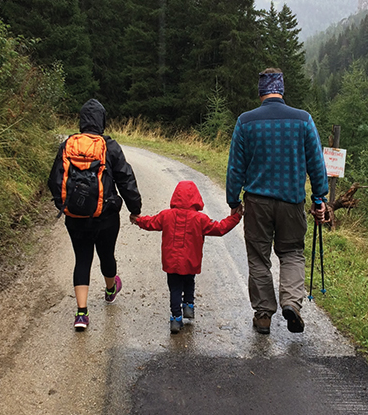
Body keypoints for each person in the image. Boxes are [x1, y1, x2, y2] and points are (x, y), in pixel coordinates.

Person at [226, 68, 328, 335]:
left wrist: (233, 199)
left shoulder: (245, 122)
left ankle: (263, 316)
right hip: (292, 201)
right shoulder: (303, 120)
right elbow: (316, 164)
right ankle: (291, 303)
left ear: (260, 91)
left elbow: (235, 167)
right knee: (292, 252)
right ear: (281, 89)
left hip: (257, 203)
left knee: (259, 258)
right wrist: (320, 198)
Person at [48, 99, 142, 331]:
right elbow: (125, 179)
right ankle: (111, 289)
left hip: (75, 218)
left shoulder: (67, 145)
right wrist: (135, 209)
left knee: (82, 259)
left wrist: (65, 205)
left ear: (81, 121)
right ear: (102, 121)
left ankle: (81, 314)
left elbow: (54, 180)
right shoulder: (109, 146)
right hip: (106, 216)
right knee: (106, 255)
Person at [132, 181, 243, 334]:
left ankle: (176, 318)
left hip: (171, 261)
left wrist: (138, 220)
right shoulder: (200, 219)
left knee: (175, 288)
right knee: (189, 281)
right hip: (191, 261)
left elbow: (151, 222)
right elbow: (219, 228)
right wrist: (235, 217)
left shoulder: (166, 215)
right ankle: (189, 305)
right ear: (196, 198)